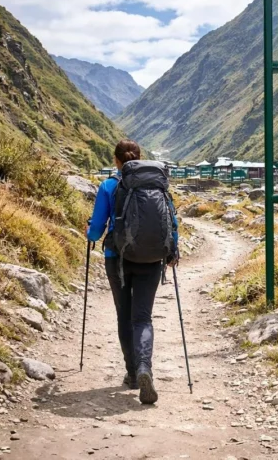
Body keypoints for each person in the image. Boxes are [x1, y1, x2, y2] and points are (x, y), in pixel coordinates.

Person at [87, 140, 179, 404]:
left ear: (116, 161)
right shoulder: (156, 184)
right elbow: (171, 220)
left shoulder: (109, 185)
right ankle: (144, 368)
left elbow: (95, 231)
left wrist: (88, 232)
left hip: (118, 259)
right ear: (139, 158)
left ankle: (130, 373)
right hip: (151, 259)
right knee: (143, 318)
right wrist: (172, 251)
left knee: (124, 315)